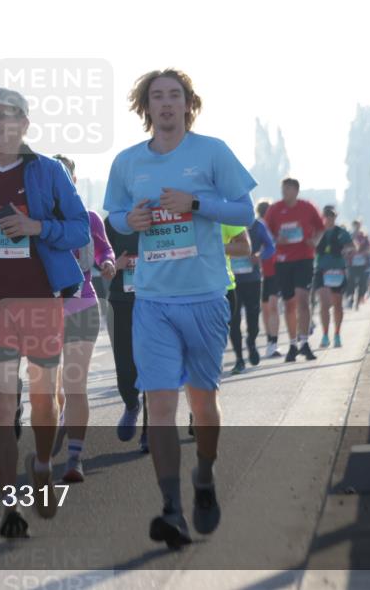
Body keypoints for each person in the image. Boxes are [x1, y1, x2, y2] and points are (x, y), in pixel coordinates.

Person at [104, 68, 256, 550]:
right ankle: (171, 509)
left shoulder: (211, 151)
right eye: (157, 96)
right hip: (151, 300)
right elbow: (112, 214)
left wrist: (194, 202)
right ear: (144, 107)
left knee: (204, 403)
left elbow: (244, 211)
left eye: (174, 96)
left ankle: (205, 477)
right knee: (161, 406)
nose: (166, 104)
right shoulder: (128, 162)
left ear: (188, 104)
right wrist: (130, 219)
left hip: (206, 295)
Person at [0, 88, 88, 538]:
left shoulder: (46, 172)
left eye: (3, 116)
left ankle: (43, 463)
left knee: (44, 400)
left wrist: (36, 227)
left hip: (37, 299)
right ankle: (10, 505)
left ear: (24, 124)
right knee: (2, 409)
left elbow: (79, 228)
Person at [51, 155, 116, 483]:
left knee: (74, 382)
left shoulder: (89, 218)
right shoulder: (35, 220)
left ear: (73, 181)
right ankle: (60, 418)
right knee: (50, 385)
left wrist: (108, 263)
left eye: (66, 176)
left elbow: (105, 250)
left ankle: (74, 458)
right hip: (43, 310)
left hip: (82, 304)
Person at [264, 178, 324, 363]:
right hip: (283, 261)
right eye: (283, 189)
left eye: (289, 189)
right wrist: (276, 240)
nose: (285, 192)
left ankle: (304, 342)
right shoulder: (274, 209)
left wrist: (315, 241)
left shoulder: (307, 207)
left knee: (303, 299)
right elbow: (266, 234)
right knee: (289, 304)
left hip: (304, 258)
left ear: (297, 191)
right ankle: (292, 344)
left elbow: (321, 228)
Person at [104, 216, 149, 451]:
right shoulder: (111, 223)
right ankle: (132, 405)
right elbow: (99, 262)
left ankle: (149, 430)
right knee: (125, 368)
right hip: (121, 302)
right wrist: (114, 264)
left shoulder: (157, 215)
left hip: (154, 299)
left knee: (152, 366)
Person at [229, 214, 275, 370]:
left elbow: (270, 246)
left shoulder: (257, 226)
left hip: (252, 279)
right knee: (233, 320)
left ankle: (251, 342)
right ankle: (239, 358)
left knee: (253, 316)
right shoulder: (225, 221)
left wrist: (260, 255)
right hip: (231, 281)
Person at [314, 206, 354, 348]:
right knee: (324, 304)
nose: (329, 218)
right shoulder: (318, 231)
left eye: (332, 215)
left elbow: (352, 247)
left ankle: (337, 334)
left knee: (337, 305)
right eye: (326, 215)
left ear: (335, 217)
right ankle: (325, 335)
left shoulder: (342, 232)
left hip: (337, 271)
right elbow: (311, 246)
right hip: (322, 270)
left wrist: (347, 250)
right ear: (322, 216)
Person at [223, 225, 252, 375]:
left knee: (234, 325)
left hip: (223, 287)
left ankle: (240, 358)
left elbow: (245, 247)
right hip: (183, 289)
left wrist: (213, 246)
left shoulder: (220, 208)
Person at [256, 201, 283, 358]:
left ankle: (273, 342)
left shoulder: (275, 226)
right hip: (260, 273)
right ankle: (270, 341)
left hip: (274, 271)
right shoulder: (256, 226)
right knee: (266, 308)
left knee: (272, 306)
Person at [348, 219, 370, 310]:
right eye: (355, 225)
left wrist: (363, 253)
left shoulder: (364, 236)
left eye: (358, 225)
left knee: (362, 282)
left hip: (362, 263)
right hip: (352, 263)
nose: (356, 227)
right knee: (351, 281)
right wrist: (349, 252)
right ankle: (351, 298)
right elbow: (345, 248)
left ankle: (359, 300)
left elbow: (369, 249)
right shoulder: (349, 236)